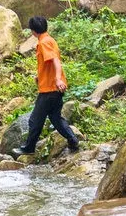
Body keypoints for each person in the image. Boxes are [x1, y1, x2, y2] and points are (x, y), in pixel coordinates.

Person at [15, 16, 79, 156]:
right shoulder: (50, 40)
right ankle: (73, 139)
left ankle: (29, 148)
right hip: (53, 88)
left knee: (35, 120)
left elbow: (55, 61)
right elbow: (49, 63)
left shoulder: (43, 42)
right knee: (55, 118)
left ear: (33, 31)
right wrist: (40, 76)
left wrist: (57, 79)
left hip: (50, 89)